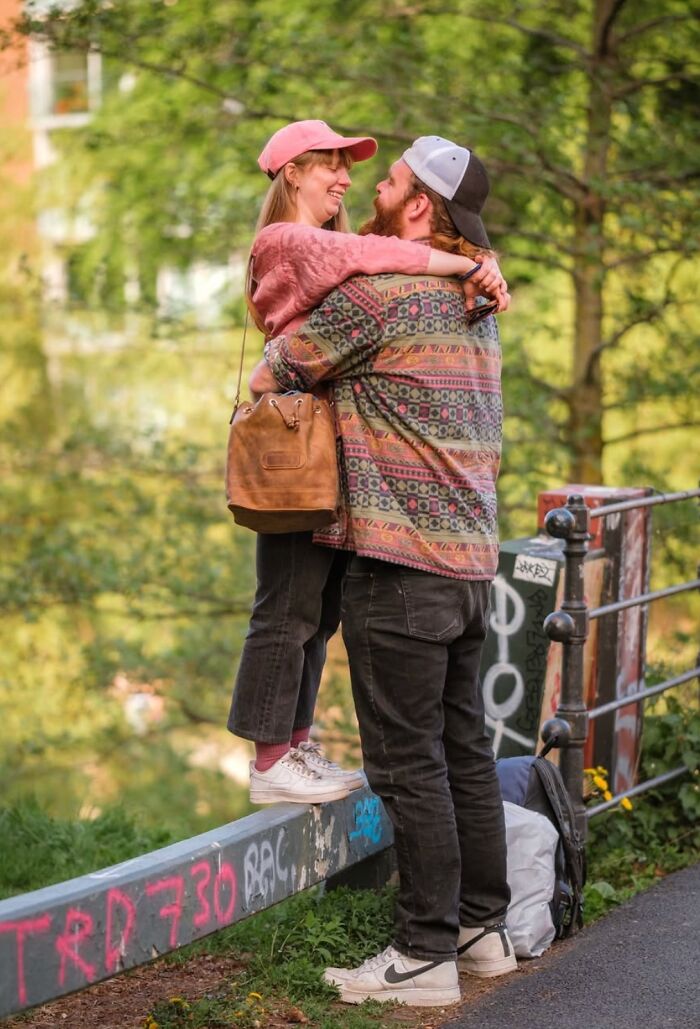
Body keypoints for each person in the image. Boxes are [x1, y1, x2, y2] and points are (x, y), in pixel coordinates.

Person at [251, 135, 516, 1006]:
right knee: (466, 754)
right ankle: (482, 931)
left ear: (415, 211)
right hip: (474, 568)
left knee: (408, 765)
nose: (372, 185)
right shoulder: (476, 302)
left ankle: (421, 955)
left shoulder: (382, 297)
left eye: (391, 179)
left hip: (399, 570)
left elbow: (277, 368)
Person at [228, 121, 509, 807]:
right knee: (286, 608)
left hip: (328, 454)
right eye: (330, 164)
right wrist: (469, 262)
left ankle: (294, 744)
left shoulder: (337, 249)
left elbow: (390, 255)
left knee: (317, 611)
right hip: (296, 447)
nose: (346, 178)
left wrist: (479, 257)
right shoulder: (287, 240)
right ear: (292, 171)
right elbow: (389, 256)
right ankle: (270, 759)